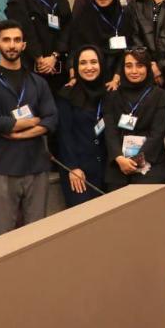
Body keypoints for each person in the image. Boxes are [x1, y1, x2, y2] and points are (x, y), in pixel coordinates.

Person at [0, 20, 58, 236]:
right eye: (6, 40)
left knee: (37, 238)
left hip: (37, 168)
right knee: (1, 239)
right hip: (2, 169)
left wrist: (20, 134)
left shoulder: (38, 83)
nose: (12, 45)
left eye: (16, 40)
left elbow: (51, 120)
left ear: (24, 45)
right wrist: (32, 121)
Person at [4, 0, 72, 93]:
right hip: (29, 68)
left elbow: (68, 27)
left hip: (58, 69)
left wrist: (54, 56)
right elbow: (23, 31)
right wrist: (40, 58)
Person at [102, 48, 165, 191]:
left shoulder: (161, 96)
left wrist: (136, 161)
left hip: (150, 166)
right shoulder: (112, 96)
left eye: (140, 65)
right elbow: (110, 130)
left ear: (147, 68)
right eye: (128, 66)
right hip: (119, 165)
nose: (134, 71)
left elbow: (157, 134)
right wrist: (119, 158)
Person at [56, 45, 110, 207]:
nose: (89, 67)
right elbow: (64, 134)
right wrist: (72, 167)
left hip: (106, 171)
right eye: (83, 63)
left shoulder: (109, 93)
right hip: (79, 172)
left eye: (94, 62)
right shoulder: (67, 94)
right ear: (76, 67)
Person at [69, 0, 134, 89]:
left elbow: (129, 49)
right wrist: (73, 76)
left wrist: (116, 78)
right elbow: (75, 49)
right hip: (91, 75)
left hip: (121, 74)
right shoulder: (84, 17)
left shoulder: (125, 14)